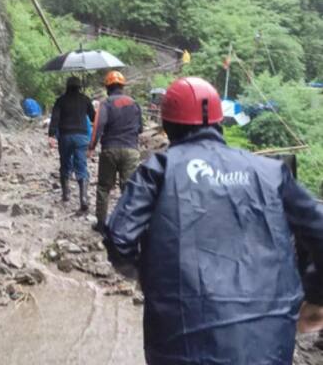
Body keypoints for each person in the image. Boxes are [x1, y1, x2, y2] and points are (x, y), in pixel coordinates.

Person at [103, 76, 323, 364]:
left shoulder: (158, 169)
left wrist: (144, 274)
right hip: (268, 342)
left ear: (167, 127)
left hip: (179, 342)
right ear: (220, 123)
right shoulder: (271, 172)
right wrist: (314, 296)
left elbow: (120, 239)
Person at [89, 70, 142, 231]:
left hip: (110, 149)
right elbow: (140, 128)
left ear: (108, 87)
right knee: (128, 187)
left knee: (104, 187)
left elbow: (98, 127)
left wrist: (91, 147)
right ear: (122, 86)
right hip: (131, 150)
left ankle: (101, 223)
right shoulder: (134, 103)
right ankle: (128, 224)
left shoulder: (106, 104)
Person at [48, 76, 96, 211]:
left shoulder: (60, 101)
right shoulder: (85, 99)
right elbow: (93, 117)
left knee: (65, 163)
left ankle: (66, 194)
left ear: (67, 86)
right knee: (81, 165)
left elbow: (55, 118)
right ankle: (83, 198)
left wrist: (51, 135)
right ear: (79, 87)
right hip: (81, 136)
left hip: (65, 136)